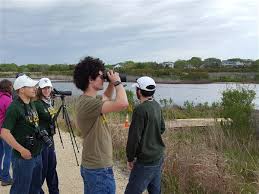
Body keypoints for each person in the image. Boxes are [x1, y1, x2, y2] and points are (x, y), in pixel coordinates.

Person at [73, 56, 129, 194]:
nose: (103, 78)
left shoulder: (87, 101)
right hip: (98, 169)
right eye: (100, 76)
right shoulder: (89, 104)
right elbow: (123, 103)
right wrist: (117, 82)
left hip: (95, 167)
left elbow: (106, 98)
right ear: (90, 79)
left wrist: (110, 84)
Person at [0, 75, 43, 194]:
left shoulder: (31, 104)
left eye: (35, 86)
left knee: (35, 188)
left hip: (37, 154)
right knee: (20, 190)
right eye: (31, 86)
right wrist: (21, 150)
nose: (35, 88)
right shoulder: (14, 107)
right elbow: (4, 132)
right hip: (23, 158)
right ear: (21, 89)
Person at [125, 76, 166, 194]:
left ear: (139, 91)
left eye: (136, 89)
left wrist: (130, 158)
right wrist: (151, 138)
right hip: (158, 156)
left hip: (145, 162)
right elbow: (162, 128)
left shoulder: (140, 110)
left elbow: (134, 138)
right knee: (155, 191)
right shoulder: (157, 105)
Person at [34, 78, 59, 194]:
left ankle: (54, 191)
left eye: (48, 87)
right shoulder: (37, 103)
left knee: (52, 167)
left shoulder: (49, 101)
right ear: (40, 89)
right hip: (42, 141)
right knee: (43, 169)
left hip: (50, 139)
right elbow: (43, 119)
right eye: (44, 88)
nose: (46, 90)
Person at [0, 79, 13, 186]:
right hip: (4, 131)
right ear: (8, 87)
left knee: (0, 153)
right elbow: (10, 116)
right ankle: (5, 178)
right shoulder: (7, 99)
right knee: (8, 154)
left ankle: (1, 174)